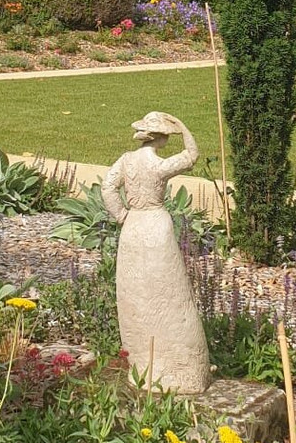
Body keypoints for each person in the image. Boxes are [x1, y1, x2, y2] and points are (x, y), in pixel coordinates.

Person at [102, 111, 211, 393]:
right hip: (155, 226)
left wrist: (121, 214)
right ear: (161, 137)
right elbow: (191, 155)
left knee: (137, 293)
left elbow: (107, 187)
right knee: (169, 294)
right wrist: (183, 126)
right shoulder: (159, 166)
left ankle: (142, 365)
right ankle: (180, 370)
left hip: (133, 226)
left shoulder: (127, 160)